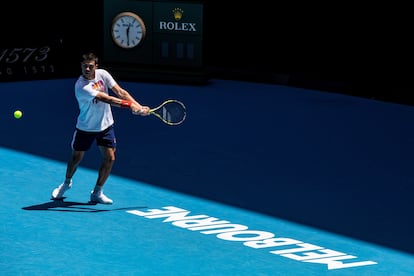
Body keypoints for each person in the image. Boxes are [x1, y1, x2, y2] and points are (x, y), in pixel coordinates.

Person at [51, 52, 150, 204]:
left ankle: (97, 192)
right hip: (86, 128)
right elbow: (107, 99)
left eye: (91, 66)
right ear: (81, 67)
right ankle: (66, 183)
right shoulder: (81, 86)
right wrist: (131, 106)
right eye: (85, 66)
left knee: (110, 158)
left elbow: (120, 92)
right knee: (76, 157)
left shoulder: (103, 74)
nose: (88, 69)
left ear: (96, 66)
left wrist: (138, 106)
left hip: (105, 126)